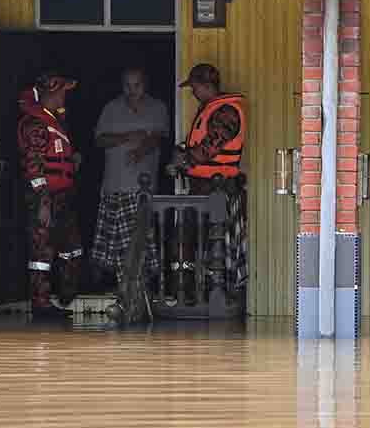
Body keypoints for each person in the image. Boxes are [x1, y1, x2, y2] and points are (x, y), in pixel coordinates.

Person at [167, 63, 248, 290]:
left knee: (216, 245)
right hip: (202, 188)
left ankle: (217, 294)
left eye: (194, 87)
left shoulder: (227, 111)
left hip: (218, 190)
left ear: (205, 85)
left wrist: (181, 161)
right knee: (191, 240)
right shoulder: (212, 108)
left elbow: (210, 148)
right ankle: (189, 290)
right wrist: (182, 151)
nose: (192, 92)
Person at [90, 67, 169, 286]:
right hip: (114, 186)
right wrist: (126, 137)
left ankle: (141, 289)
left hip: (142, 189)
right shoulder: (111, 108)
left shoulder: (157, 107)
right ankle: (117, 288)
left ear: (146, 84)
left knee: (141, 243)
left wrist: (141, 150)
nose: (132, 90)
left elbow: (158, 138)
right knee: (112, 247)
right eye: (127, 85)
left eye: (137, 85)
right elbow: (99, 140)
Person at [17, 72, 82, 320]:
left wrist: (72, 161)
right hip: (45, 198)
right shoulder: (34, 123)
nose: (66, 95)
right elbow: (34, 166)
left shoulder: (55, 121)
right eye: (63, 91)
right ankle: (41, 304)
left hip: (63, 196)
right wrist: (43, 201)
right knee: (41, 253)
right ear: (51, 93)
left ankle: (66, 293)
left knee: (72, 249)